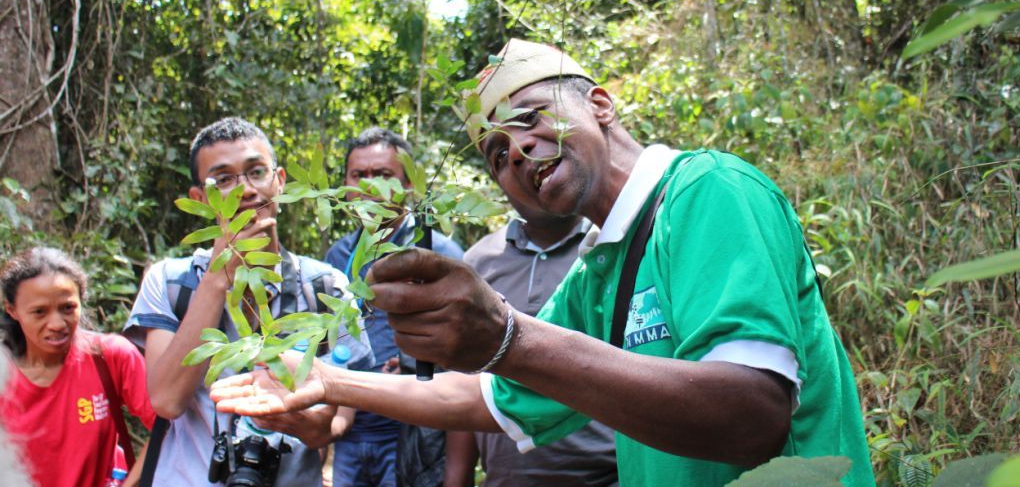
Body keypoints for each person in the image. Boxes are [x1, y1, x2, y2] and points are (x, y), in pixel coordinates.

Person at [210, 40, 876, 487]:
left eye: (530, 119)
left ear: (600, 103)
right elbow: (480, 393)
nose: (518, 152)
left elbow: (751, 417)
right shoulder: (599, 273)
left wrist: (509, 336)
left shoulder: (706, 192)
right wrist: (328, 378)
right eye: (497, 153)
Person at [125, 117, 354, 487]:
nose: (246, 190)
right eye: (224, 180)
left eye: (256, 172)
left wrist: (299, 420)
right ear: (200, 199)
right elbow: (166, 401)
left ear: (279, 180)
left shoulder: (325, 287)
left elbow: (337, 421)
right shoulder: (169, 281)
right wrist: (218, 276)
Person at [323, 127, 465, 487]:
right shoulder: (338, 256)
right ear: (345, 185)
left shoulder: (436, 254)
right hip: (352, 429)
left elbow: (465, 351)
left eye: (384, 175)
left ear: (408, 185)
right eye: (360, 175)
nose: (370, 186)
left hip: (412, 427)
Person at [446, 200, 618, 487]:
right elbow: (466, 377)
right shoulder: (478, 262)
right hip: (508, 476)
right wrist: (456, 478)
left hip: (608, 476)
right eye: (502, 158)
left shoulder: (609, 248)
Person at [1, 246, 156, 487]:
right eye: (39, 312)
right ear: (12, 311)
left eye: (67, 308)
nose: (56, 323)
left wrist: (132, 483)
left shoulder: (109, 356)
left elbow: (167, 426)